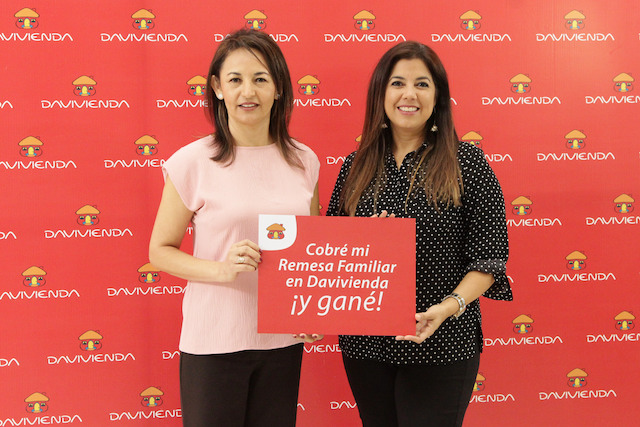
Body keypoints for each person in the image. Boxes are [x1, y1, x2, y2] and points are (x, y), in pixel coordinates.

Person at [326, 41, 512, 426]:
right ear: (381, 94)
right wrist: (363, 240)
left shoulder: (468, 163)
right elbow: (329, 250)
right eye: (397, 83)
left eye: (422, 84)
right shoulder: (354, 167)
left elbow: (490, 256)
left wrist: (446, 309)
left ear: (438, 96)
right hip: (366, 346)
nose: (409, 94)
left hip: (444, 343)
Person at [149, 29, 322, 427]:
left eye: (261, 79)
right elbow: (160, 250)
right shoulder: (193, 161)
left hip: (283, 341)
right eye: (236, 79)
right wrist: (221, 269)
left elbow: (310, 251)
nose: (249, 91)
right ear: (217, 87)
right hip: (214, 341)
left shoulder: (304, 161)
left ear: (278, 88)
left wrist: (314, 309)